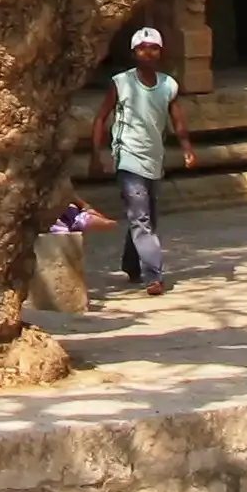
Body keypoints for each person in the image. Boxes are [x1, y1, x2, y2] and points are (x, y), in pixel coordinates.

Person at [91, 27, 197, 294]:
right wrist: (97, 153)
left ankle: (131, 265)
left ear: (160, 52)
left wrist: (187, 147)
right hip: (127, 157)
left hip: (154, 157)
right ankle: (154, 275)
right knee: (141, 218)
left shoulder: (168, 85)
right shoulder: (121, 83)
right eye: (142, 48)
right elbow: (101, 117)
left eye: (153, 48)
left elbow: (177, 119)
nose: (147, 53)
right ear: (134, 53)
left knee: (146, 217)